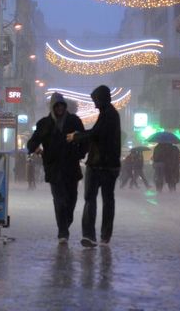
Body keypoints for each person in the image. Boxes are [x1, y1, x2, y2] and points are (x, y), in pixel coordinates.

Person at [67, 85, 121, 248]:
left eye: (95, 100)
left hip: (102, 165)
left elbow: (96, 134)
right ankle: (96, 235)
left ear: (102, 99)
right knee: (101, 199)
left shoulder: (109, 115)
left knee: (98, 199)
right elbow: (96, 132)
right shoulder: (107, 114)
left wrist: (76, 136)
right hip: (104, 164)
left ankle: (96, 235)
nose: (94, 104)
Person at [27, 93, 85, 243]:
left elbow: (85, 139)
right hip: (54, 167)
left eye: (61, 105)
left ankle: (66, 223)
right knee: (59, 200)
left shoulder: (74, 121)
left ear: (65, 106)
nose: (59, 108)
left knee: (71, 199)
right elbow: (31, 143)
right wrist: (39, 151)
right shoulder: (44, 124)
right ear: (53, 107)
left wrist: (79, 153)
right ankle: (62, 232)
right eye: (56, 105)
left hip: (71, 167)